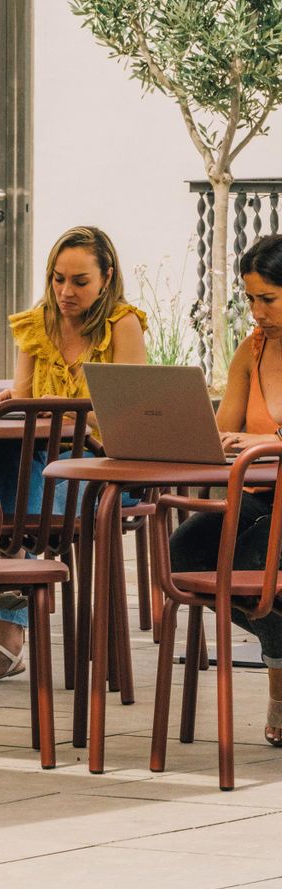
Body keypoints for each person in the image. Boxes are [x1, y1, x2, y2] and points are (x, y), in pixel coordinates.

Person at [0, 223, 147, 687]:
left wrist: (65, 422)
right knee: (9, 449)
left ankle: (10, 607)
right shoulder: (38, 324)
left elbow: (127, 416)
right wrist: (10, 404)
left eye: (79, 281)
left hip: (103, 471)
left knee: (26, 463)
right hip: (43, 469)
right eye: (58, 279)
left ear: (106, 278)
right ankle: (21, 572)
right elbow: (24, 397)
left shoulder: (122, 324)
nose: (65, 292)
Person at [170, 233, 282, 746]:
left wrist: (266, 439)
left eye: (269, 299)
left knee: (257, 556)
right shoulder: (252, 349)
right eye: (251, 299)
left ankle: (278, 678)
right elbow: (223, 430)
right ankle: (280, 654)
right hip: (260, 498)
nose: (257, 312)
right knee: (184, 551)